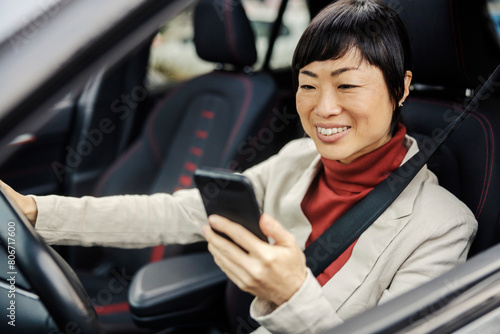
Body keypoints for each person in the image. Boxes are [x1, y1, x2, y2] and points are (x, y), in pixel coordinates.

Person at [2, 0, 477, 333]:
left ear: (402, 87)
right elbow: (173, 213)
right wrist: (41, 213)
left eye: (347, 86)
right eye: (308, 85)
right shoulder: (296, 160)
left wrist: (292, 295)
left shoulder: (441, 226)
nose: (323, 108)